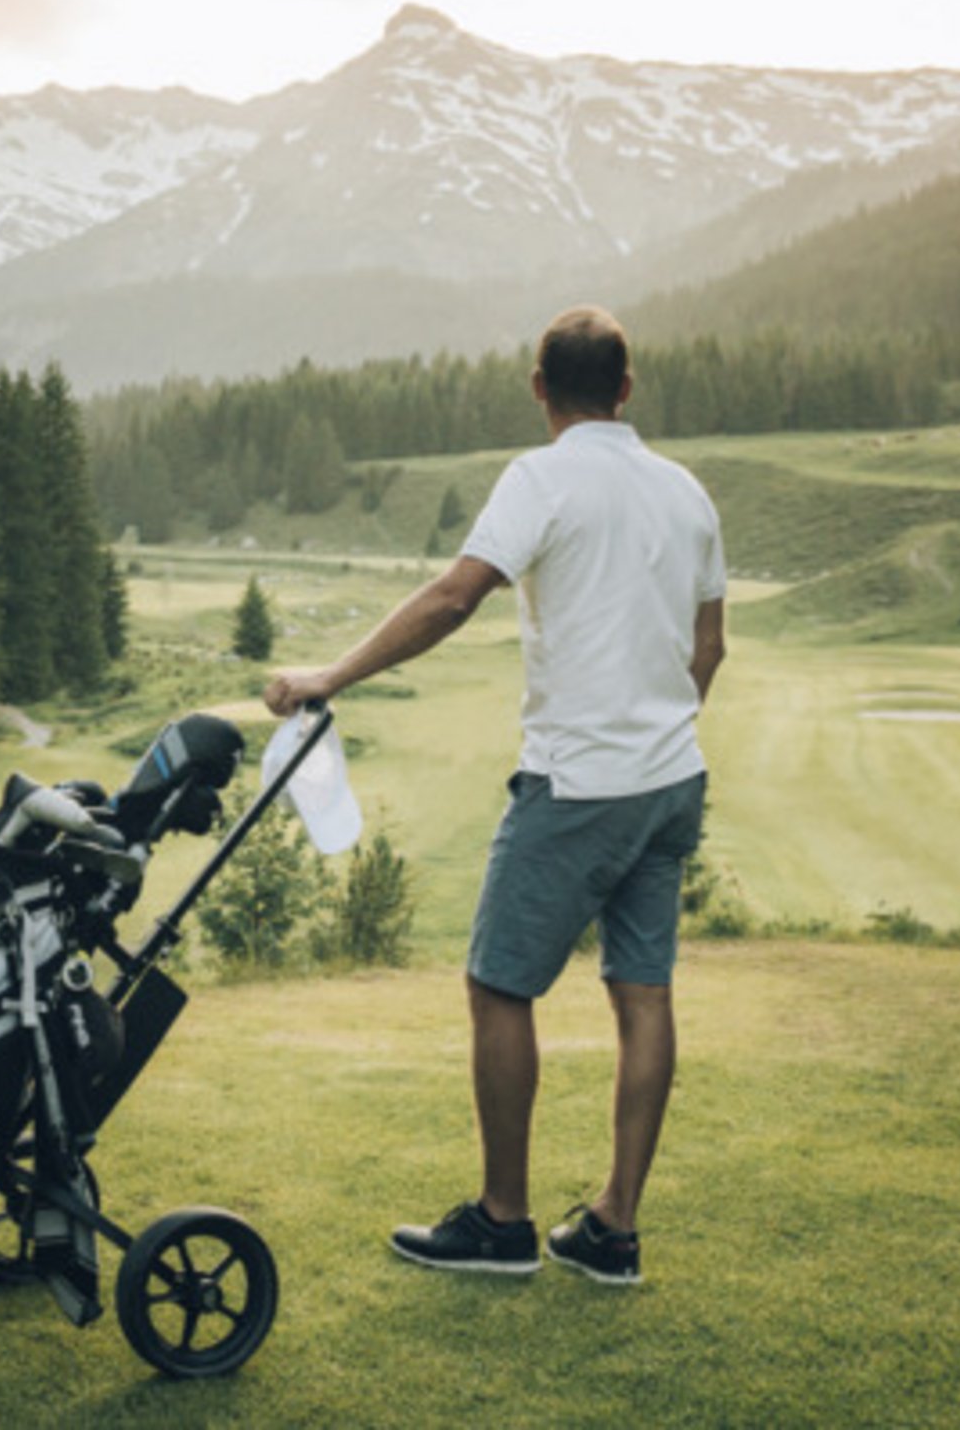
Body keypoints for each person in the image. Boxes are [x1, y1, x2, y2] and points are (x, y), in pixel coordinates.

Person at [264, 305, 725, 1285]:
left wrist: (327, 678)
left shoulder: (541, 478)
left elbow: (450, 597)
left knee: (497, 984)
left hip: (579, 781)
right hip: (670, 779)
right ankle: (613, 1230)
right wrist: (659, 735)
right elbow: (709, 649)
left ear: (539, 387)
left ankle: (504, 1222)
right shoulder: (688, 493)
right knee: (643, 994)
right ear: (628, 387)